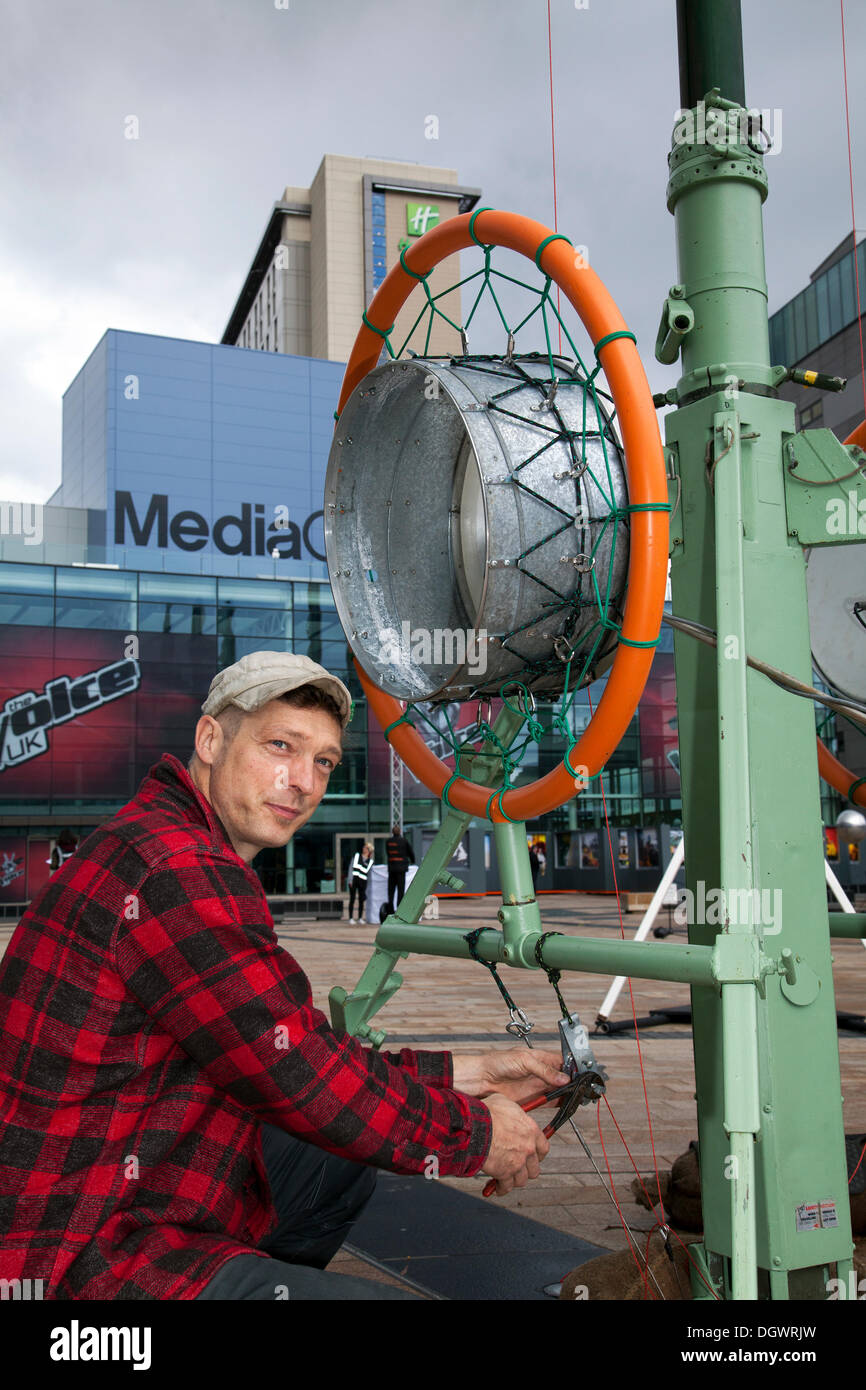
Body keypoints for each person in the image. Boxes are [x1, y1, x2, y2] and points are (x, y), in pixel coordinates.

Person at [0, 650, 567, 1301]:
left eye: (323, 761)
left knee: (336, 1160)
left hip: (126, 1172)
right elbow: (302, 1078)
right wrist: (478, 1137)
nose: (303, 781)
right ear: (211, 740)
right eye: (280, 746)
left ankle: (250, 1275)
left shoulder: (158, 837)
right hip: (79, 1251)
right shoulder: (180, 871)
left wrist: (474, 1076)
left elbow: (292, 1049)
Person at [385, 823, 414, 912]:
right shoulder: (404, 841)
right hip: (401, 869)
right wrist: (413, 861)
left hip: (392, 868)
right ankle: (399, 908)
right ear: (400, 832)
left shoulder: (388, 841)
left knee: (391, 890)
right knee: (400, 890)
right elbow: (410, 852)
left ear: (392, 832)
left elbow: (387, 853)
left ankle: (390, 908)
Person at [348, 841, 373, 923]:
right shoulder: (357, 856)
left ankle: (360, 918)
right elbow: (351, 868)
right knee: (352, 899)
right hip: (354, 880)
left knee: (361, 900)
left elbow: (369, 874)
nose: (363, 848)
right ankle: (351, 918)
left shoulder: (370, 861)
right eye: (363, 847)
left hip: (363, 882)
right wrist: (350, 880)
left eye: (365, 848)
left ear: (369, 850)